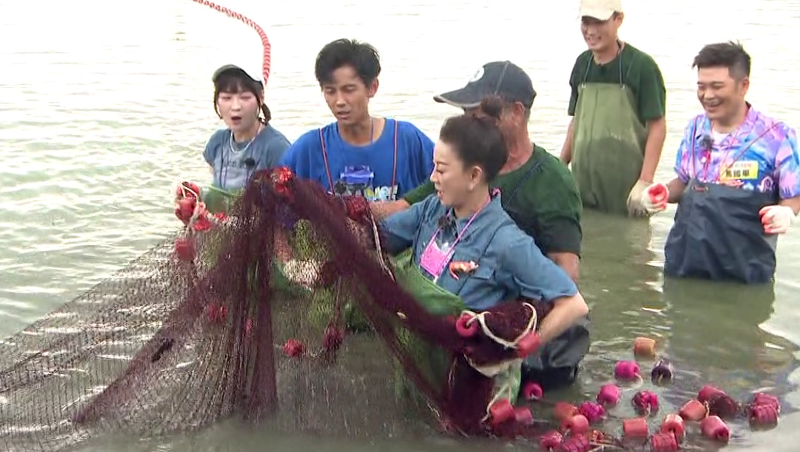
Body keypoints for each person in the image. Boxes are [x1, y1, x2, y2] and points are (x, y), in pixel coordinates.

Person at [373, 61, 589, 391]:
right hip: (423, 354)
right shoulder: (436, 202)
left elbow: (570, 294)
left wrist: (520, 348)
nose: (433, 178)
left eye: (441, 170)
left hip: (474, 366)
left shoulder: (513, 233)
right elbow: (382, 230)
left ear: (475, 175)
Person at [641, 41, 800, 284]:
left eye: (717, 86)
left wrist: (785, 213)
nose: (707, 96)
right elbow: (684, 181)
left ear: (743, 86)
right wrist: (663, 191)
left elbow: (792, 197)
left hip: (744, 271)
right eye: (701, 87)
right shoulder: (695, 128)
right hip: (685, 263)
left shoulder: (776, 136)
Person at [278, 39, 435, 202]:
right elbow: (275, 194)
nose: (339, 101)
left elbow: (447, 179)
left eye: (349, 90)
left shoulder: (406, 139)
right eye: (330, 91)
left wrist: (405, 203)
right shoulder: (309, 149)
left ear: (372, 87)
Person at [557, 0, 668, 218]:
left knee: (629, 250)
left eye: (599, 22)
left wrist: (644, 181)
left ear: (619, 20)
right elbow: (576, 121)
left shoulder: (642, 67)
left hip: (626, 189)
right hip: (583, 186)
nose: (591, 30)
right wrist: (559, 169)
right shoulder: (582, 64)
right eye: (586, 22)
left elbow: (657, 127)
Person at [198, 64, 291, 212]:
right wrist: (193, 196)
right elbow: (217, 193)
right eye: (226, 97)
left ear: (261, 97)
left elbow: (288, 207)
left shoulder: (276, 148)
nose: (235, 106)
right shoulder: (217, 142)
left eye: (245, 97)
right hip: (217, 229)